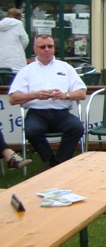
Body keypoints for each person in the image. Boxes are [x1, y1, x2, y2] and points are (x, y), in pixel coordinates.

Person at [9, 34, 86, 170]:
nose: (47, 49)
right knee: (32, 131)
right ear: (35, 49)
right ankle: (51, 160)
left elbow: (82, 93)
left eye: (50, 46)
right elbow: (13, 98)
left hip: (61, 113)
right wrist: (35, 95)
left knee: (77, 127)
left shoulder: (66, 68)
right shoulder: (26, 71)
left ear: (54, 48)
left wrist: (65, 95)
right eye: (42, 47)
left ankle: (56, 163)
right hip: (37, 113)